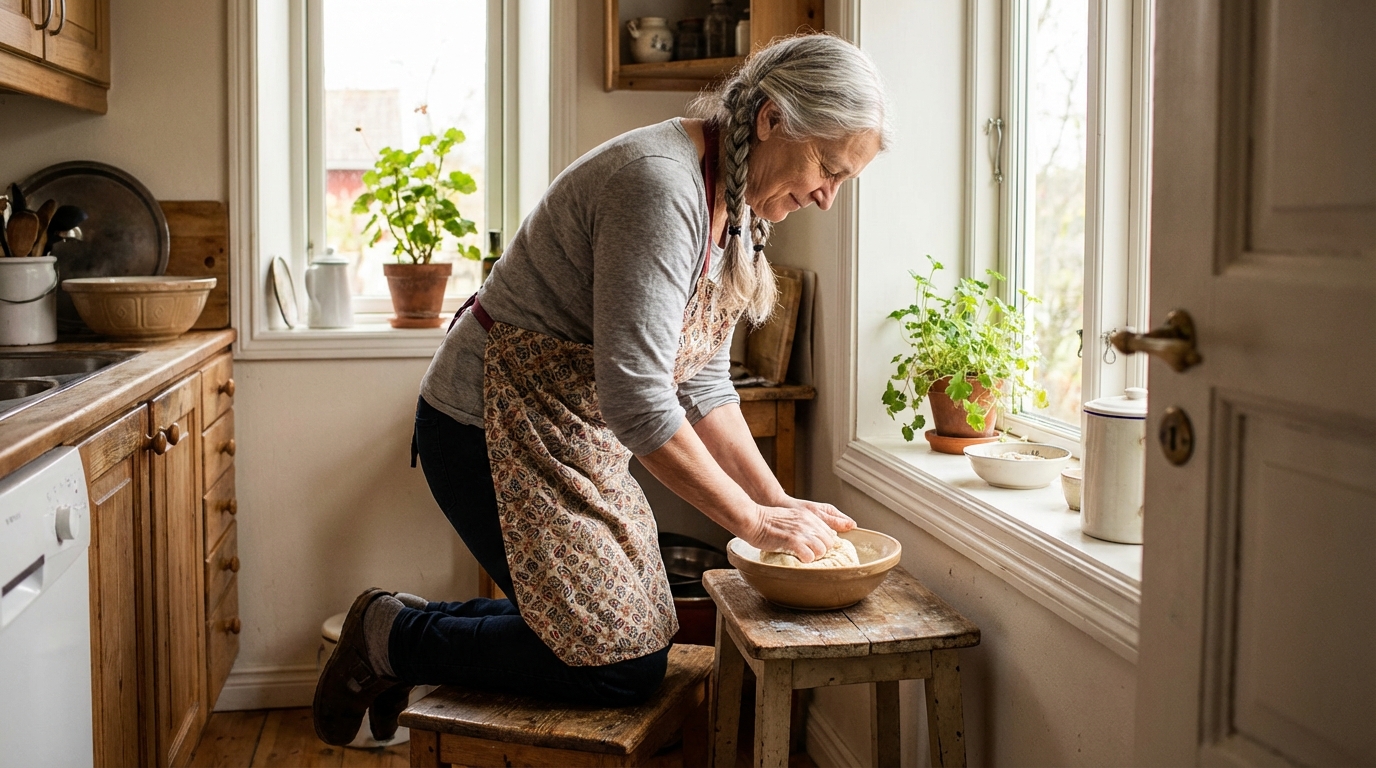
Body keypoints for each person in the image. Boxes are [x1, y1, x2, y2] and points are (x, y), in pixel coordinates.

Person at [313, 33, 892, 746]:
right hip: (485, 429)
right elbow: (640, 398)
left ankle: (391, 624)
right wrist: (753, 521)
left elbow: (701, 378)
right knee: (619, 667)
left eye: (844, 181)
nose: (828, 198)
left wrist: (776, 501)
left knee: (639, 627)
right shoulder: (659, 186)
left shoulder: (737, 207)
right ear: (773, 119)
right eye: (827, 169)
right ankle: (396, 637)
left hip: (571, 435)